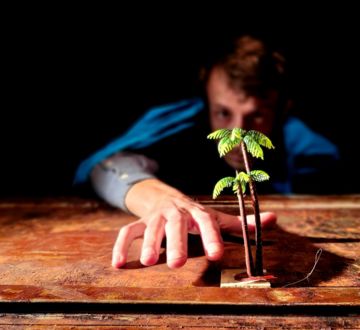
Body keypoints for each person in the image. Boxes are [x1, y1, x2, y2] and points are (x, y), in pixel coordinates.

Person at [75, 34, 339, 269]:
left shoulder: (312, 153)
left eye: (257, 115)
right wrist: (160, 201)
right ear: (206, 101)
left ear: (283, 109)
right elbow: (108, 165)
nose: (237, 133)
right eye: (223, 112)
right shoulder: (175, 125)